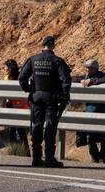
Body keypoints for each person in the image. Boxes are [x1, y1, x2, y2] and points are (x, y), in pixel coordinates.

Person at [18, 35, 72, 168]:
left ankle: (36, 158)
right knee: (50, 126)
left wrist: (30, 89)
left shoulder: (33, 59)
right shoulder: (57, 61)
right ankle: (49, 158)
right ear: (53, 45)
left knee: (37, 125)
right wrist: (65, 96)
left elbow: (21, 78)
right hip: (51, 98)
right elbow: (66, 80)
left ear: (43, 45)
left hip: (36, 97)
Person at [73, 59, 105, 161]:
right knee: (89, 135)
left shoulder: (102, 76)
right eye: (86, 68)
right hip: (91, 112)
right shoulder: (85, 76)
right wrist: (80, 81)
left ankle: (102, 156)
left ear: (95, 69)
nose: (87, 70)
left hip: (104, 111)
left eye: (89, 68)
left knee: (104, 135)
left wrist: (91, 81)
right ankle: (94, 156)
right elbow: (74, 78)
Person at [2, 59, 30, 155]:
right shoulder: (6, 78)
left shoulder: (19, 77)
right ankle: (15, 152)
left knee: (20, 131)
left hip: (20, 108)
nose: (4, 69)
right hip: (10, 107)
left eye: (6, 67)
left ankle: (25, 152)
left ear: (10, 68)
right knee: (12, 131)